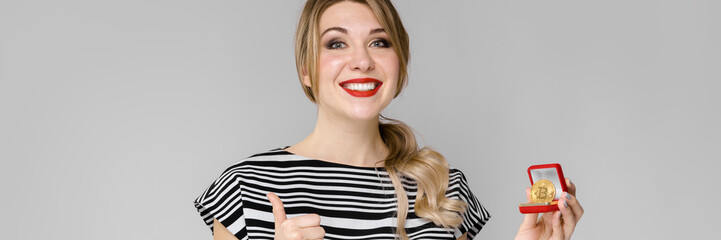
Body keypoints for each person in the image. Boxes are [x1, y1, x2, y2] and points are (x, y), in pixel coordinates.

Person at [193, 0, 583, 239]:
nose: (362, 60)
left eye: (380, 42)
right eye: (336, 43)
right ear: (306, 70)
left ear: (401, 64)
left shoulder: (444, 189)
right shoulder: (244, 189)